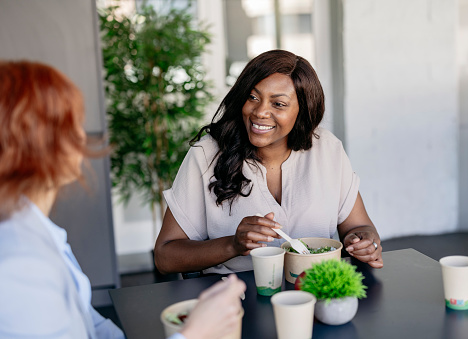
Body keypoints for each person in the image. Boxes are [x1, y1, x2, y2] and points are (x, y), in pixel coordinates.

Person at [0, 60, 246, 339]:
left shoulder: (31, 230)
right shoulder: (17, 265)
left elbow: (91, 324)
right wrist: (196, 332)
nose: (82, 136)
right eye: (70, 125)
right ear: (29, 144)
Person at [154, 50, 383, 276]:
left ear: (303, 111)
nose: (260, 112)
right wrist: (233, 245)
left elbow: (359, 227)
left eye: (278, 104)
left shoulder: (327, 149)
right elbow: (165, 256)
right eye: (253, 97)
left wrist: (364, 242)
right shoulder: (206, 154)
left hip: (314, 290)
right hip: (234, 297)